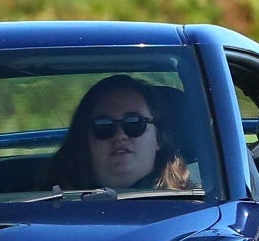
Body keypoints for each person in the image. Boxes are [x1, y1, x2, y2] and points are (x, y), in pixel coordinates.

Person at [42, 74, 195, 191]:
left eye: (134, 123)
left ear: (158, 138)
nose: (120, 135)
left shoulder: (197, 209)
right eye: (103, 126)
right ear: (85, 141)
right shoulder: (46, 208)